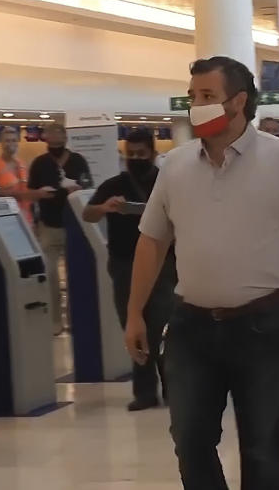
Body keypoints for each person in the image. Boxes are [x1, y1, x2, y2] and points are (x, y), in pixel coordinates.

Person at [124, 56, 279, 490]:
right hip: (191, 326)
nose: (196, 105)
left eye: (208, 96)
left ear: (239, 102)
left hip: (264, 326)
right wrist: (135, 312)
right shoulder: (175, 167)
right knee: (189, 439)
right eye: (193, 96)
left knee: (261, 445)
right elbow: (152, 241)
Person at [83, 128, 174, 411]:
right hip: (124, 264)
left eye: (141, 154)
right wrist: (105, 208)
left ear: (153, 154)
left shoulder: (166, 182)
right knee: (133, 325)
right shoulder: (114, 184)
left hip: (163, 263)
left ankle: (173, 385)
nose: (135, 158)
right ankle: (144, 391)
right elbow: (87, 214)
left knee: (163, 324)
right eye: (130, 154)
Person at [28, 124, 92, 335]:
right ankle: (54, 321)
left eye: (59, 137)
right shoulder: (39, 163)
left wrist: (78, 190)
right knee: (50, 274)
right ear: (45, 139)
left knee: (76, 275)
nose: (55, 141)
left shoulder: (78, 161)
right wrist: (39, 195)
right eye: (51, 137)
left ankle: (75, 318)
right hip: (49, 225)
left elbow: (88, 187)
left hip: (75, 224)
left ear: (65, 138)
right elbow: (31, 191)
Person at [0, 126, 54, 223]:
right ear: (1, 143)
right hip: (6, 219)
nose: (11, 144)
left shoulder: (22, 164)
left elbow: (27, 191)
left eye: (14, 140)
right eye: (7, 140)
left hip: (26, 219)